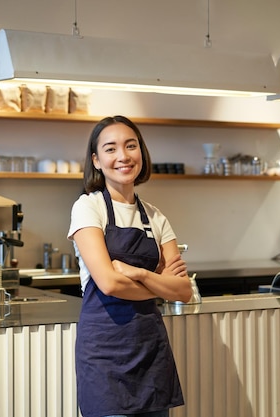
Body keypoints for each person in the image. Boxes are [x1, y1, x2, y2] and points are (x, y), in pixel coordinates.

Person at [67, 115, 193, 417]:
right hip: (104, 356)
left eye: (131, 146)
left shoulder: (155, 216)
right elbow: (109, 284)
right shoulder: (88, 206)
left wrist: (137, 274)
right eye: (110, 149)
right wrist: (159, 283)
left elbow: (184, 291)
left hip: (150, 351)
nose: (123, 156)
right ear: (96, 160)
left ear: (142, 153)